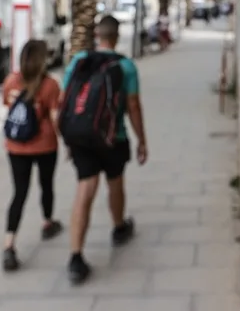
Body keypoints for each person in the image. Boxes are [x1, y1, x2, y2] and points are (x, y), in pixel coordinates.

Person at [60, 15, 148, 284]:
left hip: (81, 136)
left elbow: (65, 100)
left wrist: (67, 139)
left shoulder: (79, 60)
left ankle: (76, 256)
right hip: (112, 137)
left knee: (85, 188)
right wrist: (142, 140)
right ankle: (119, 227)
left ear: (97, 35)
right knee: (115, 182)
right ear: (117, 36)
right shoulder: (125, 66)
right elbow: (133, 106)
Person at [0, 39, 63, 272]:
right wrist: (67, 142)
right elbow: (55, 118)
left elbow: (9, 106)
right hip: (45, 145)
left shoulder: (10, 81)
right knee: (46, 185)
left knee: (19, 193)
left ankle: (9, 244)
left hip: (16, 146)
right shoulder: (50, 85)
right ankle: (47, 222)